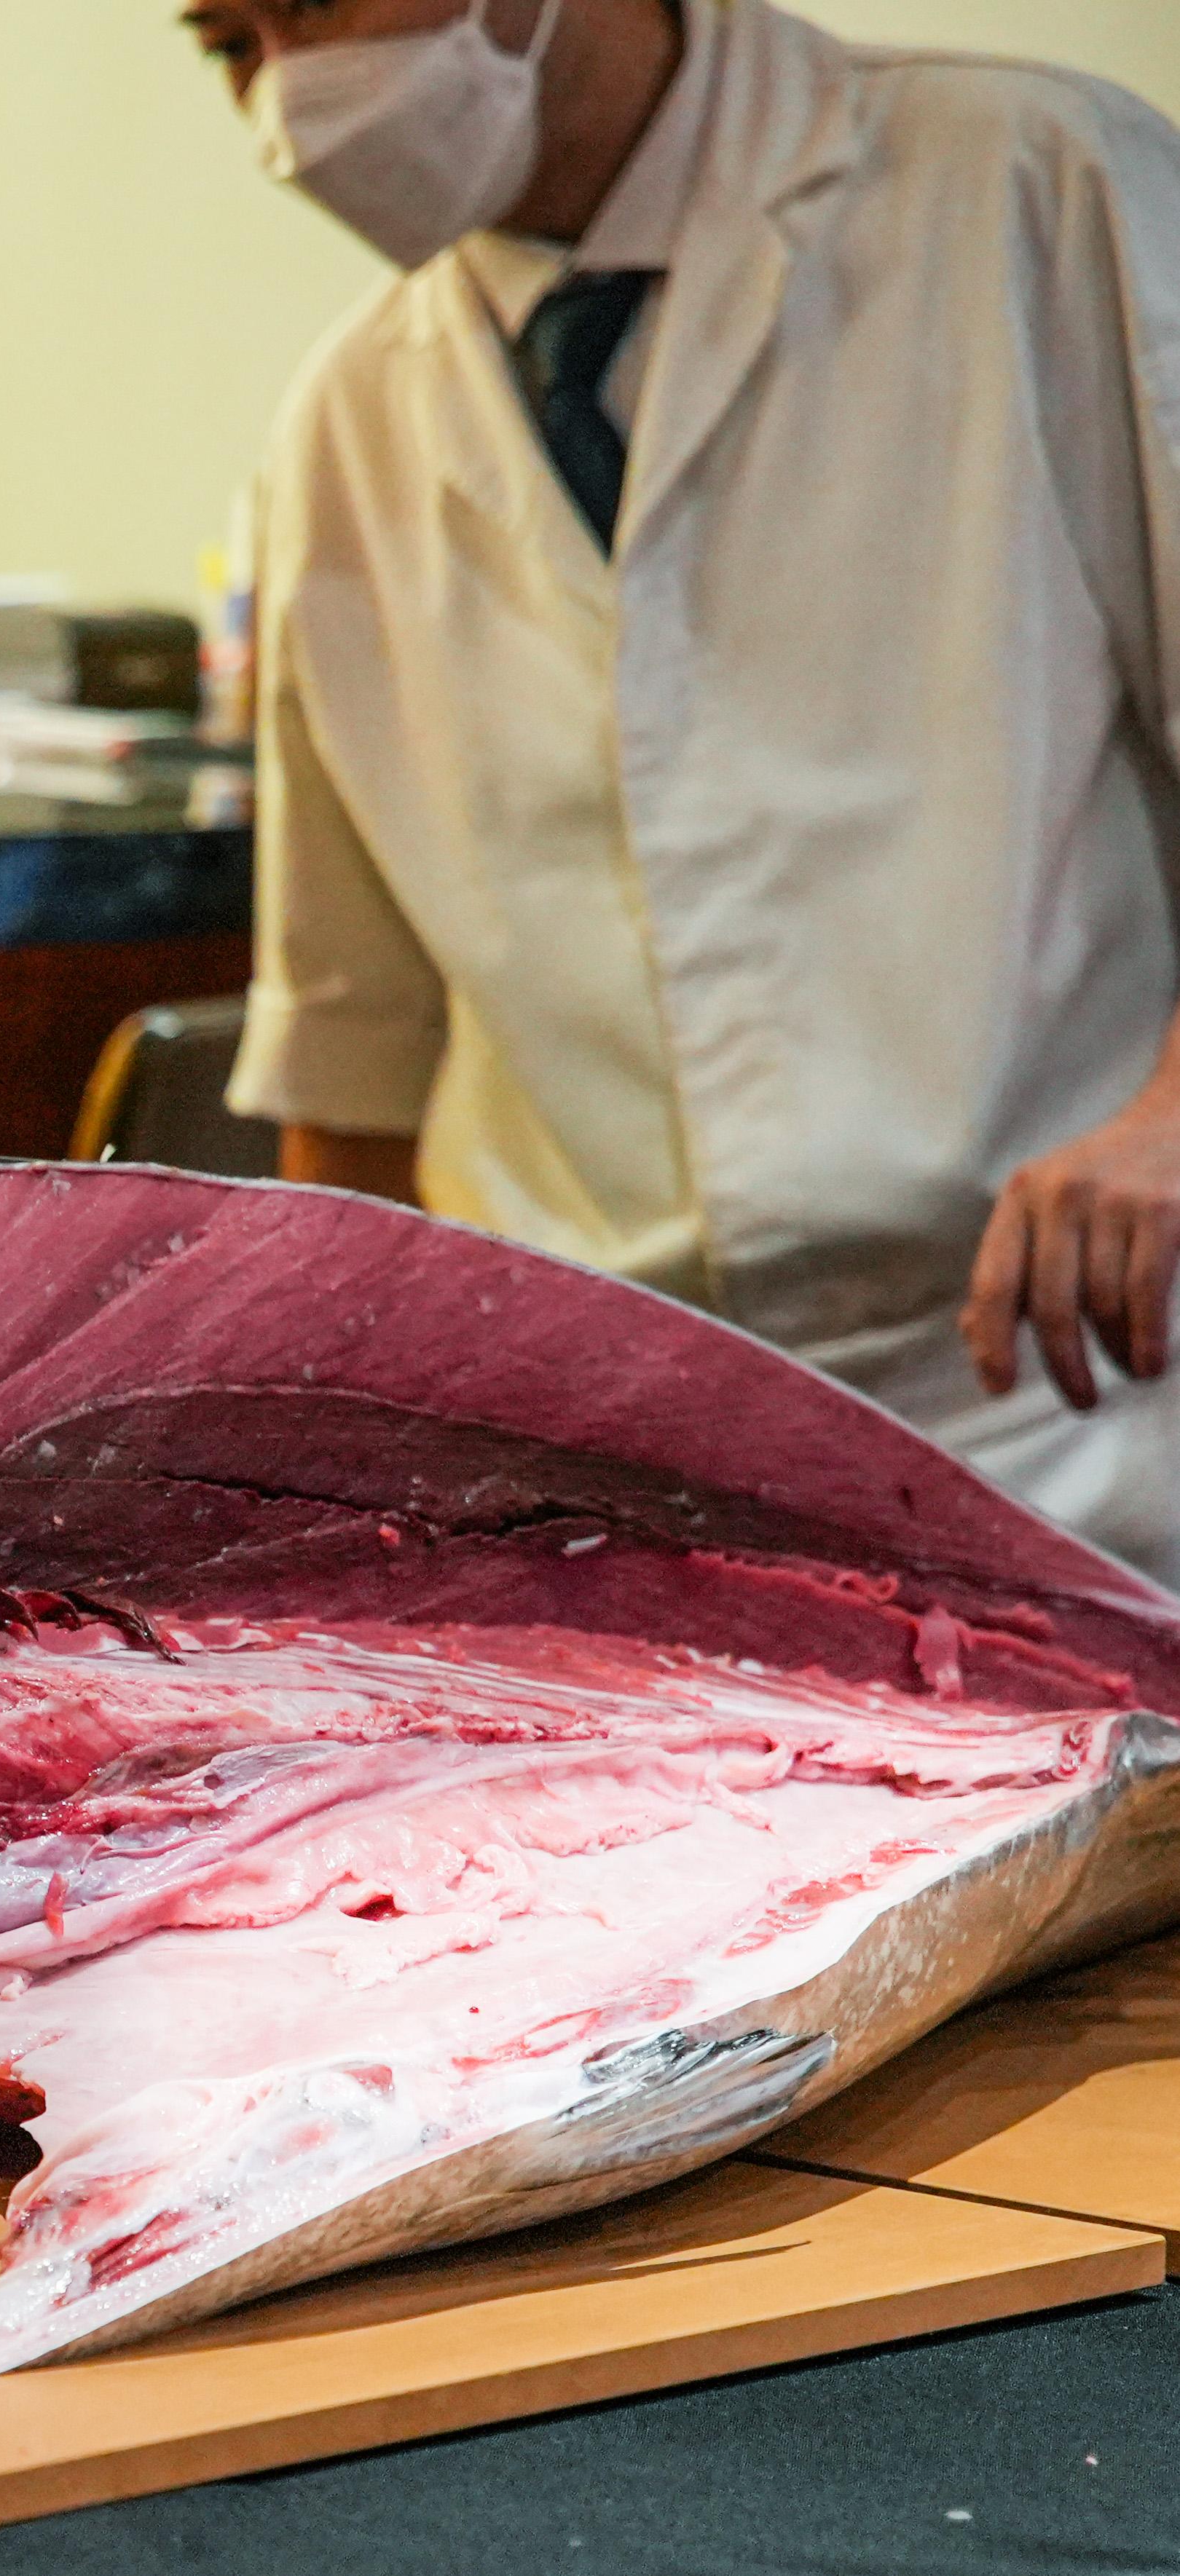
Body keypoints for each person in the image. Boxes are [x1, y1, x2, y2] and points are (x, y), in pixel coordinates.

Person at [184, 0, 1180, 1584]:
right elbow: (356, 1065)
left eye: (306, 7)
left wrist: (1167, 1118)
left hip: (1075, 1421)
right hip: (598, 1489)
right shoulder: (346, 425)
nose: (283, 104)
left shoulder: (1041, 190)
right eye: (224, 45)